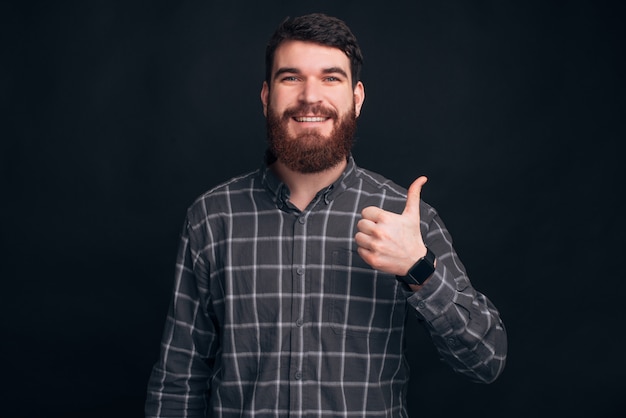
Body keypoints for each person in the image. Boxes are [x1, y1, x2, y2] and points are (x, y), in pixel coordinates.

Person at [145, 13, 507, 418]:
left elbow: (487, 360)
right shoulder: (212, 218)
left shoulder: (406, 219)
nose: (309, 96)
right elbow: (178, 381)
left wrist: (418, 269)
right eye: (291, 77)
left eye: (331, 78)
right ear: (266, 96)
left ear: (357, 97)